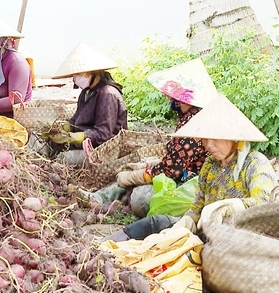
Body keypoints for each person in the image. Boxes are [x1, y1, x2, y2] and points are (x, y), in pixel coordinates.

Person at [100, 93, 276, 243]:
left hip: (238, 237)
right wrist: (186, 223)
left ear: (235, 138)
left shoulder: (255, 163)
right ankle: (105, 244)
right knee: (155, 223)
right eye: (205, 139)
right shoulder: (210, 166)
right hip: (206, 230)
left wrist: (230, 206)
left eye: (215, 139)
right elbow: (197, 206)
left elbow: (263, 203)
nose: (209, 145)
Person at [77, 59, 218, 212]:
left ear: (181, 99)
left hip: (193, 182)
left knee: (140, 197)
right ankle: (101, 197)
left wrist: (137, 176)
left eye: (171, 96)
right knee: (137, 167)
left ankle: (116, 201)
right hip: (184, 171)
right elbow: (177, 158)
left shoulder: (192, 126)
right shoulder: (190, 116)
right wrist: (148, 166)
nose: (168, 98)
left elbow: (171, 170)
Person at [47, 42, 127, 150]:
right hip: (85, 142)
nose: (74, 79)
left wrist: (76, 137)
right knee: (50, 142)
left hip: (105, 149)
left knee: (63, 157)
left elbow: (104, 134)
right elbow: (76, 121)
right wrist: (63, 127)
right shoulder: (86, 92)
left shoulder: (108, 95)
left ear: (89, 72)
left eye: (77, 74)